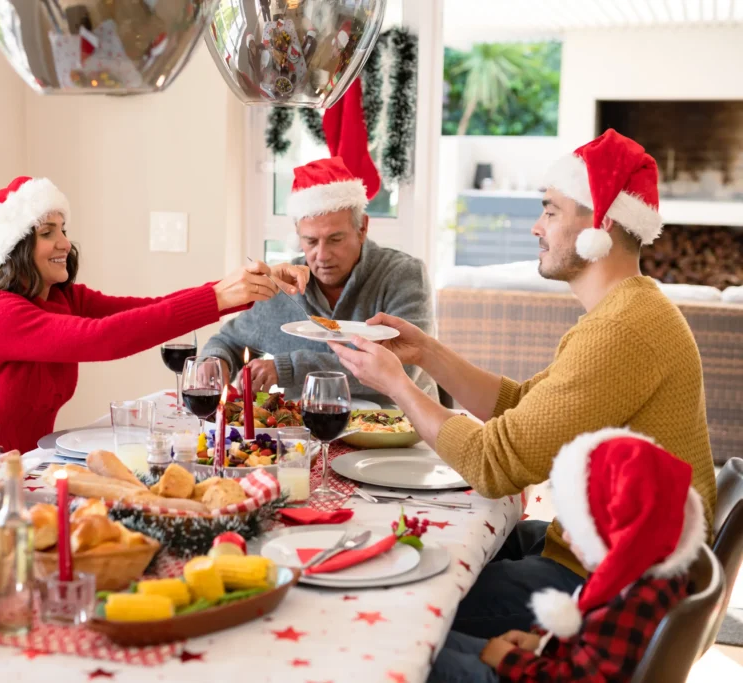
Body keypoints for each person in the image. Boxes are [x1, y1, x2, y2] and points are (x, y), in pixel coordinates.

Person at [330, 130, 716, 636]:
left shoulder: (624, 329)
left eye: (551, 211)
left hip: (612, 584)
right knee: (434, 550)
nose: (536, 226)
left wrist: (399, 385)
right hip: (594, 550)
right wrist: (426, 351)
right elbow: (519, 405)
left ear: (600, 224)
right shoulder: (626, 311)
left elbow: (495, 464)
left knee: (402, 603)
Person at [0, 176, 307, 477]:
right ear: (13, 248)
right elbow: (104, 339)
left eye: (63, 229)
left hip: (30, 469)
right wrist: (220, 298)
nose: (65, 242)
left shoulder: (61, 297)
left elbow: (150, 309)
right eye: (47, 232)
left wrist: (242, 287)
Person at [428, 429, 704, 683]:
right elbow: (590, 650)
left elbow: (578, 679)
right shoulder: (638, 565)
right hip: (545, 662)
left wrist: (509, 659)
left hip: (534, 676)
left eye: (577, 527)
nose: (568, 537)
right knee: (423, 642)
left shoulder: (630, 603)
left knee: (422, 659)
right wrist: (541, 644)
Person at [202, 157, 436, 403]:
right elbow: (229, 341)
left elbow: (406, 364)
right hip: (308, 433)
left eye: (335, 239)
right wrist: (215, 362)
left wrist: (290, 368)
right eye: (311, 242)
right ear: (298, 234)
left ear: (363, 228)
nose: (322, 256)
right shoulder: (284, 284)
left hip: (397, 426)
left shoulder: (404, 275)